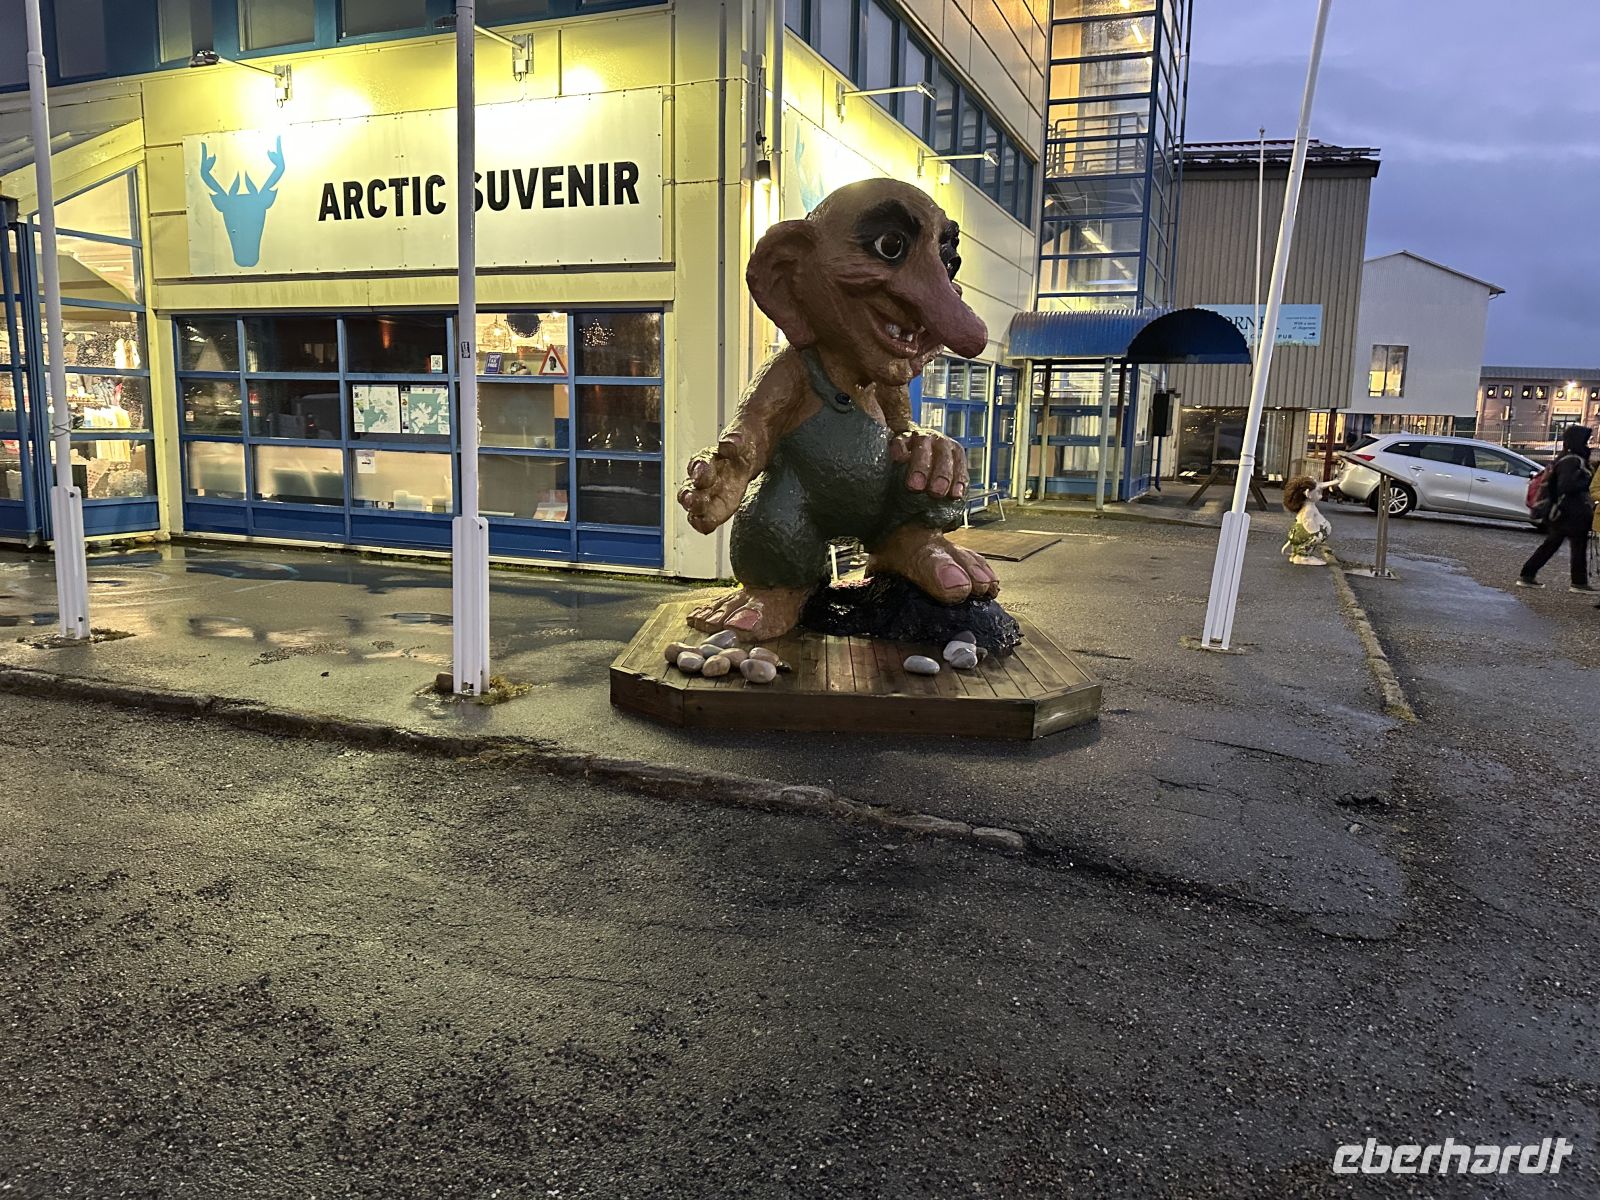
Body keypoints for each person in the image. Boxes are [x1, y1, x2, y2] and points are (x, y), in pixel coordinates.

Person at [1518, 424, 1595, 591]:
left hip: (1562, 511)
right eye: (1586, 440)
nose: (1588, 444)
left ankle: (1528, 574)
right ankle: (1578, 582)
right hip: (1570, 512)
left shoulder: (1566, 458)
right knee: (1575, 546)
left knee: (1553, 544)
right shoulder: (1573, 461)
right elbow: (1566, 486)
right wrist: (1586, 482)